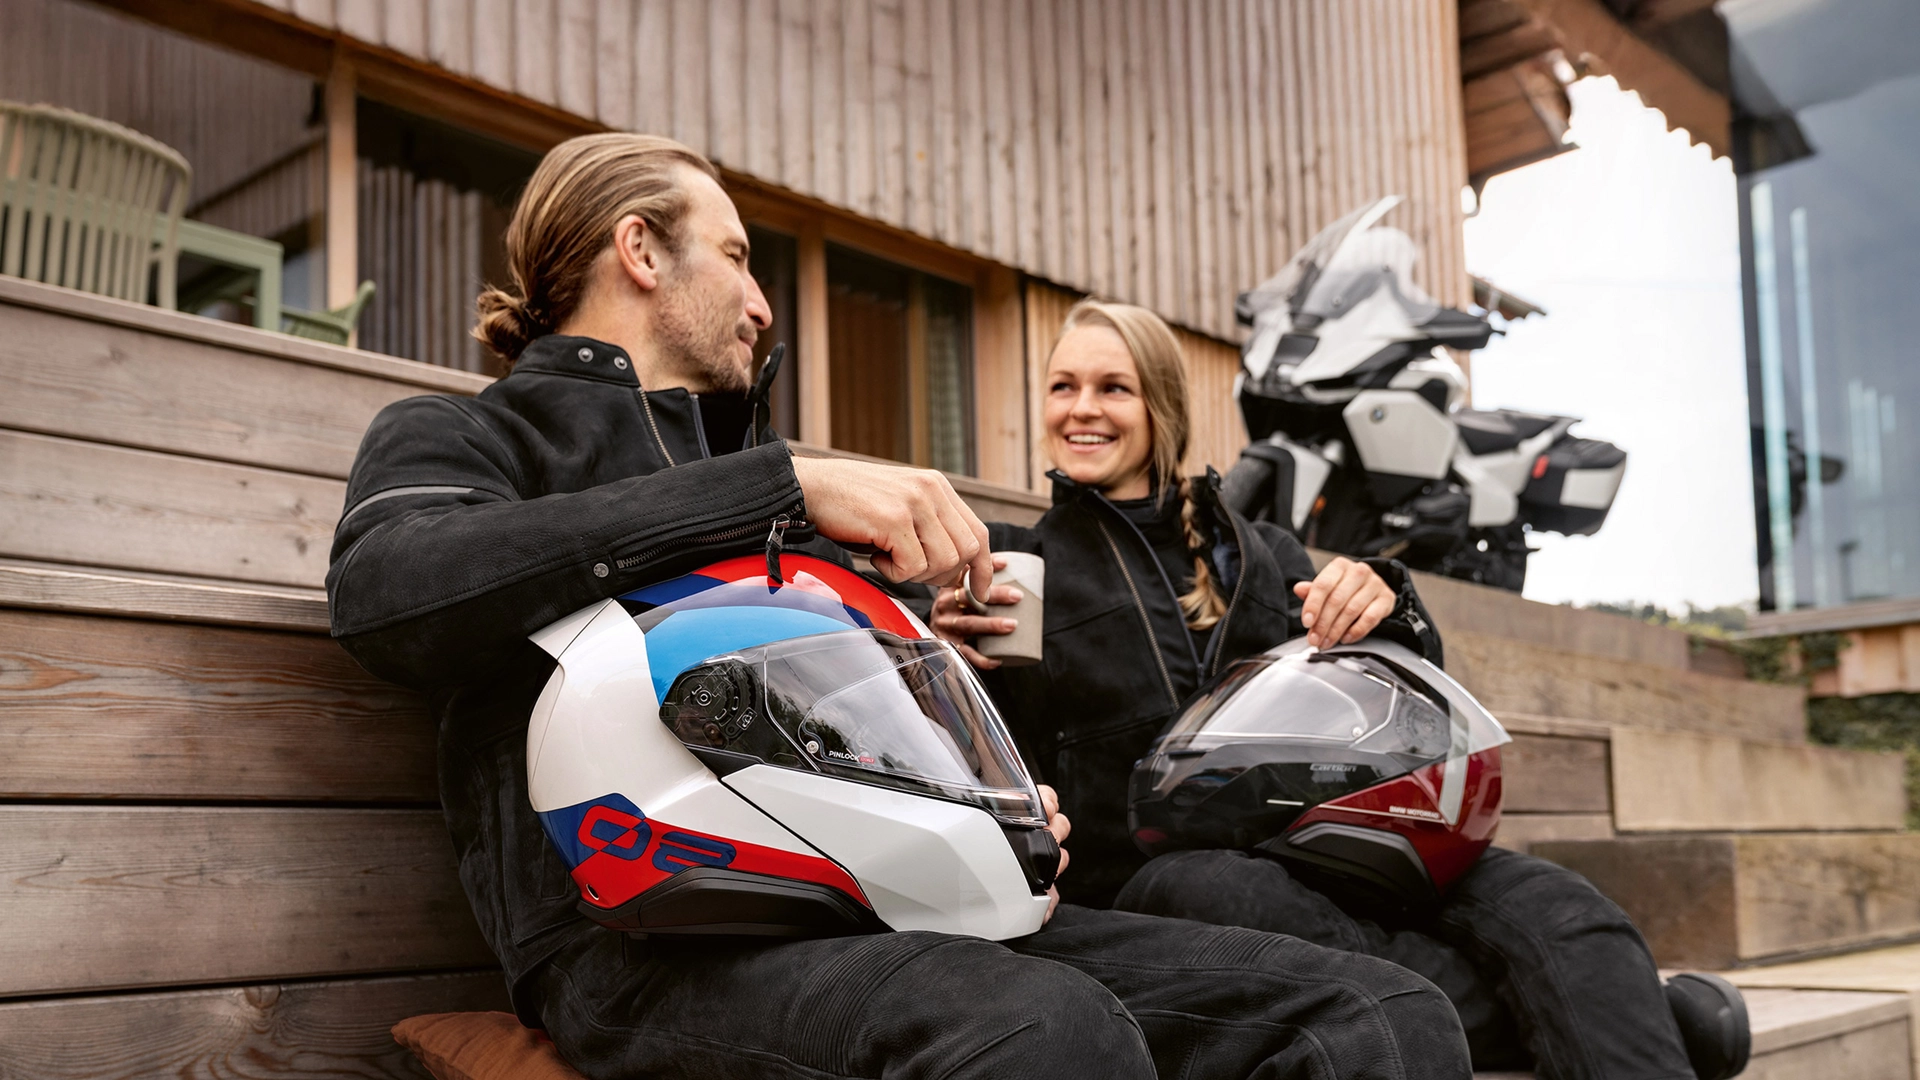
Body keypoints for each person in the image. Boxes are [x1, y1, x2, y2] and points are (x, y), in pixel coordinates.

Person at [327, 132, 1474, 1080]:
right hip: (644, 935)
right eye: (737, 256)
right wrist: (782, 483)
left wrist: (1004, 807)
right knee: (1047, 1033)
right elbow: (388, 591)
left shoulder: (773, 495)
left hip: (899, 905)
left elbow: (862, 740)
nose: (762, 305)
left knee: (1382, 1015)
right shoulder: (467, 437)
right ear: (640, 250)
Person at [933, 299, 1746, 1080]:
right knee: (1216, 888)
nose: (1083, 408)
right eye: (1063, 386)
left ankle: (1608, 1007)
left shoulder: (1264, 554)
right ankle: (1628, 1015)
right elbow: (973, 755)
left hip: (1345, 843)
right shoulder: (1010, 565)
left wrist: (1389, 604)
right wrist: (949, 662)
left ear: (1162, 406)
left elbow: (1387, 693)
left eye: (1113, 387)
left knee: (1564, 908)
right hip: (1152, 886)